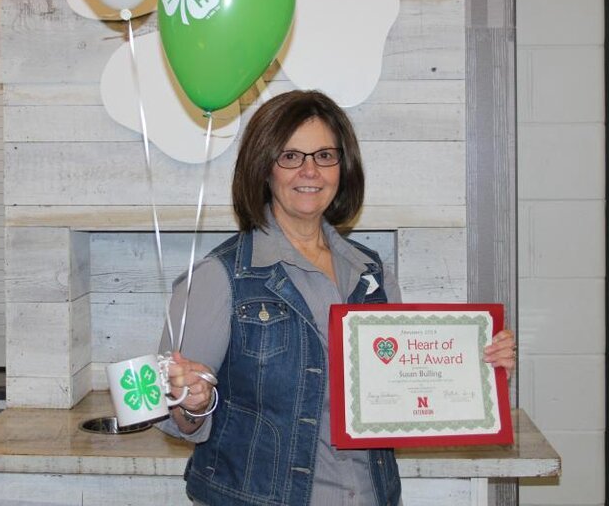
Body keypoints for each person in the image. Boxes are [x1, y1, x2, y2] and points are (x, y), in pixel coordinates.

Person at [157, 90, 516, 506]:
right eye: (290, 156)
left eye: (324, 155)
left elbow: (408, 383)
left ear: (342, 167)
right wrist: (191, 403)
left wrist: (478, 365)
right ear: (264, 169)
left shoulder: (372, 273)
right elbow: (172, 409)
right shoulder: (218, 277)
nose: (310, 171)